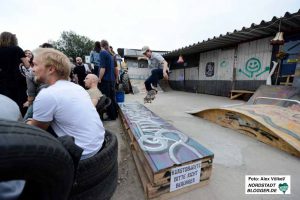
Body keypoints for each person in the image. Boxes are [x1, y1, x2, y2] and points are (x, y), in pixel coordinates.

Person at [26, 48, 105, 159]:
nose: (32, 69)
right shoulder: (77, 88)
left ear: (50, 69)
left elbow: (34, 130)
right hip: (98, 145)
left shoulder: (47, 94)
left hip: (81, 153)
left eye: (35, 65)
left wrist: (27, 122)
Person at [0, 31, 30, 115]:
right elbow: (27, 65)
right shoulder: (17, 49)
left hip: (2, 81)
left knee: (5, 104)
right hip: (17, 81)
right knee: (20, 104)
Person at [98, 40, 118, 120]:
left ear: (101, 45)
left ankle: (111, 116)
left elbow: (103, 68)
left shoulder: (102, 53)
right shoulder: (111, 54)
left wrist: (99, 78)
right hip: (111, 79)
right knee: (112, 97)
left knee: (107, 98)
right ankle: (114, 115)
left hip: (106, 80)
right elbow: (115, 69)